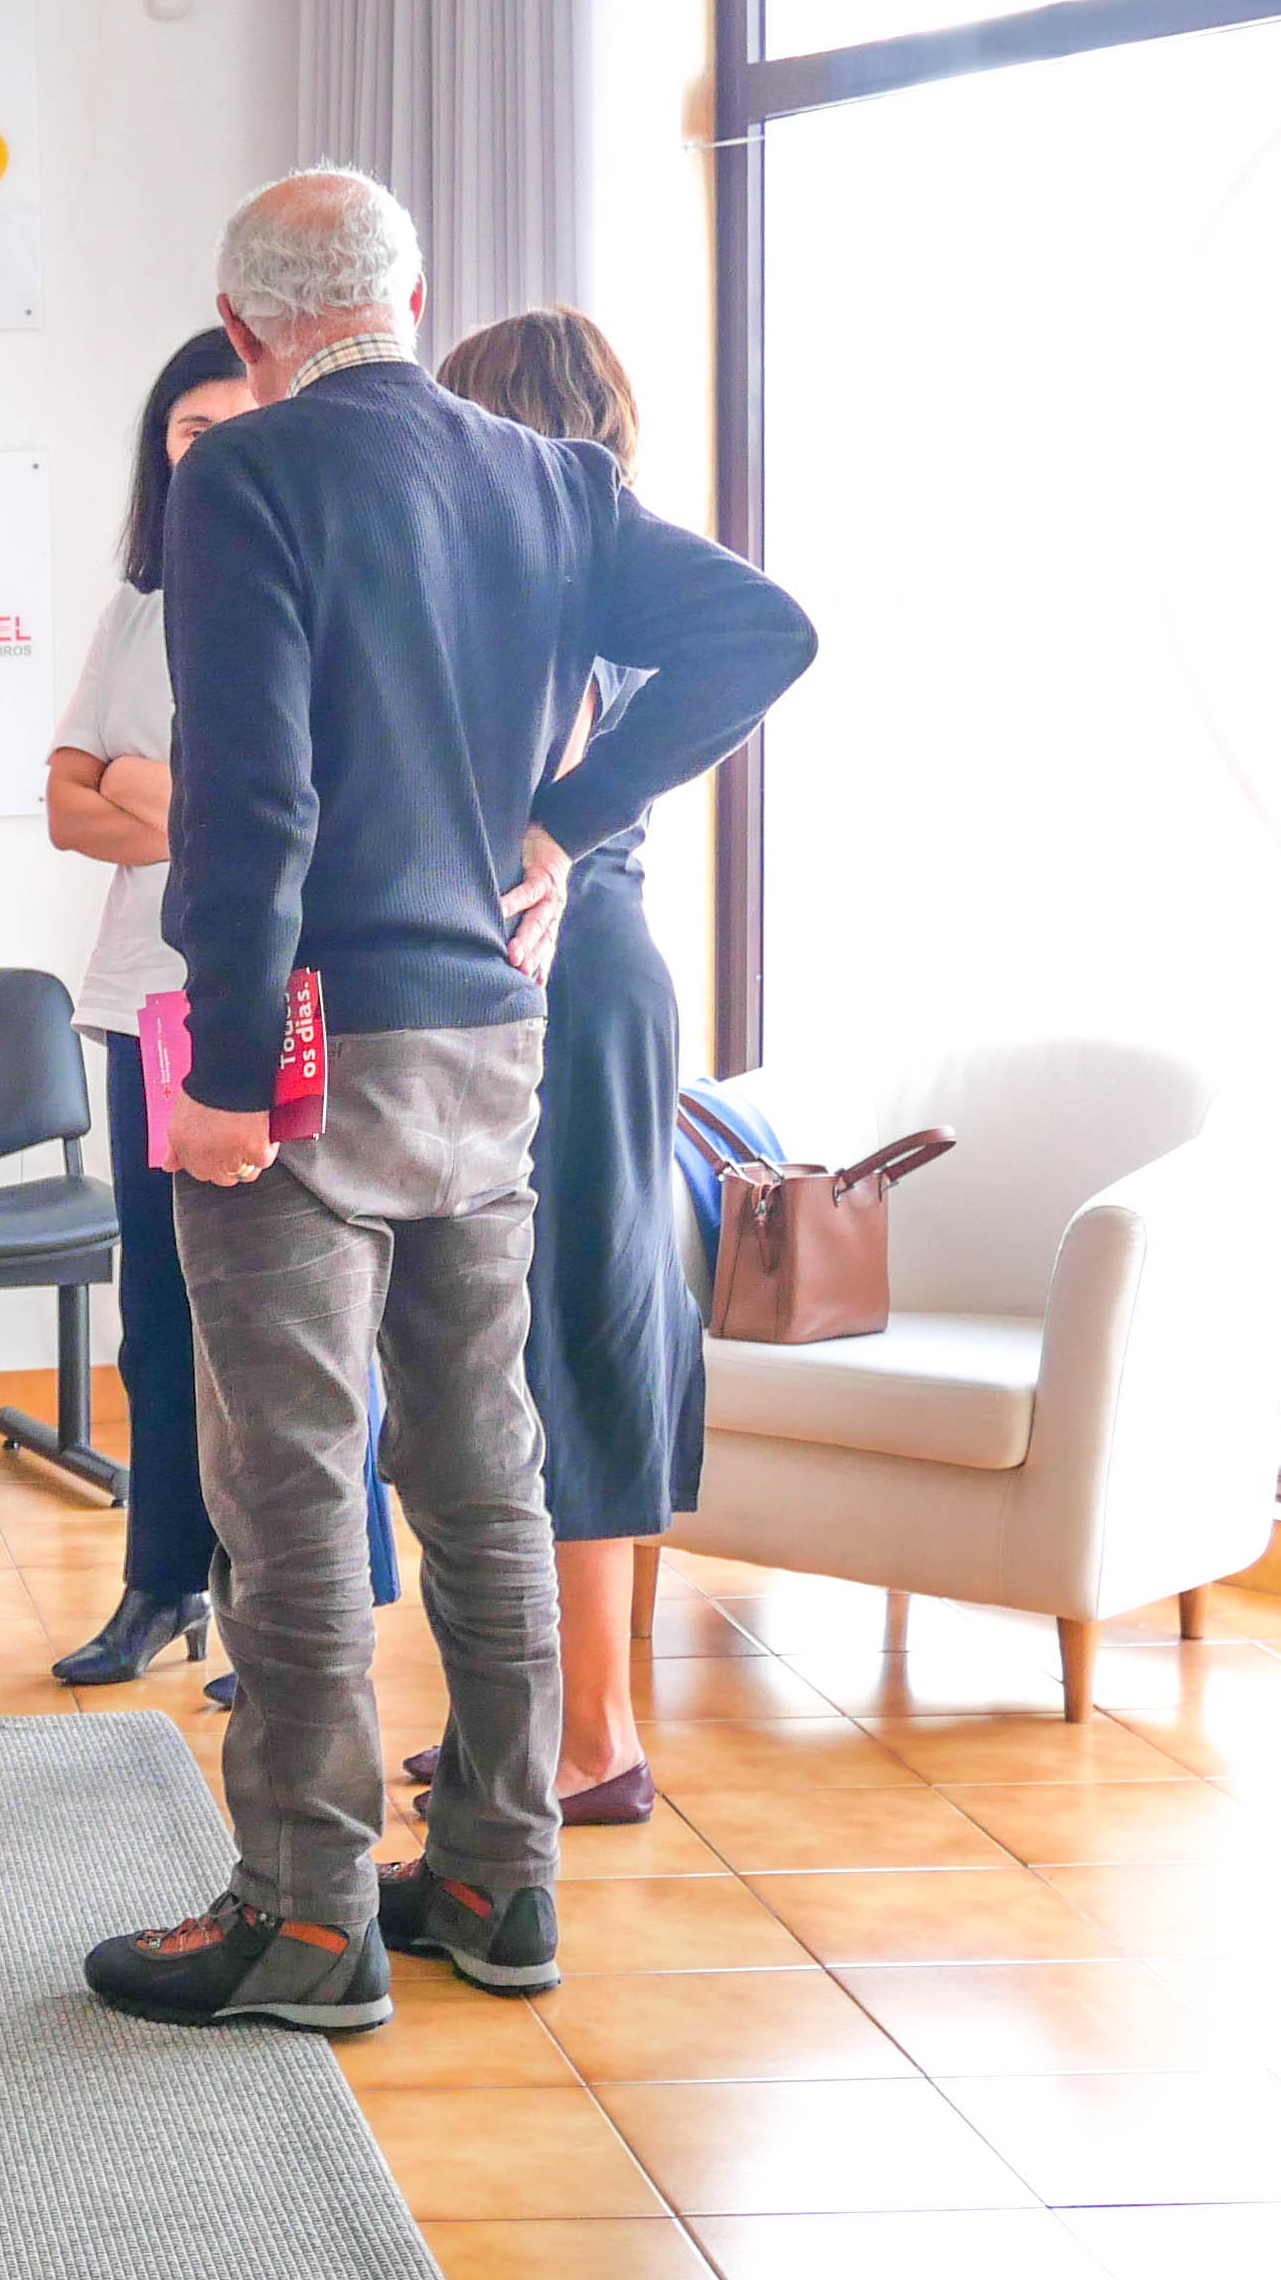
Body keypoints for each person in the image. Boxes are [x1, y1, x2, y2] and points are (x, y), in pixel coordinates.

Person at [81, 171, 813, 2033]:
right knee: (484, 1472)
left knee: (291, 1489)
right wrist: (566, 822)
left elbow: (251, 802)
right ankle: (496, 1876)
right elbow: (760, 631)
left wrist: (224, 1075)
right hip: (489, 1037)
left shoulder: (244, 476)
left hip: (307, 1051)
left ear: (242, 329)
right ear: (411, 302)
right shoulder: (546, 480)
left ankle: (304, 1914)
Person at [42, 327, 396, 1689]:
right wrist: (187, 803)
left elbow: (307, 812)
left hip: (288, 1004)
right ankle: (161, 1585)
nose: (213, 451)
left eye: (238, 423)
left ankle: (306, 1607)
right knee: (159, 1318)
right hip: (149, 1003)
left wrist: (153, 790)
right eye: (190, 430)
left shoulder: (325, 578)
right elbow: (68, 806)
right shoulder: (139, 608)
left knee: (299, 1328)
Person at [413, 307, 708, 1826]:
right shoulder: (567, 581)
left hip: (576, 982)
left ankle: (595, 1740)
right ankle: (529, 1720)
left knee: (572, 1343)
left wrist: (557, 829)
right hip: (577, 974)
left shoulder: (573, 585)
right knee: (525, 1348)